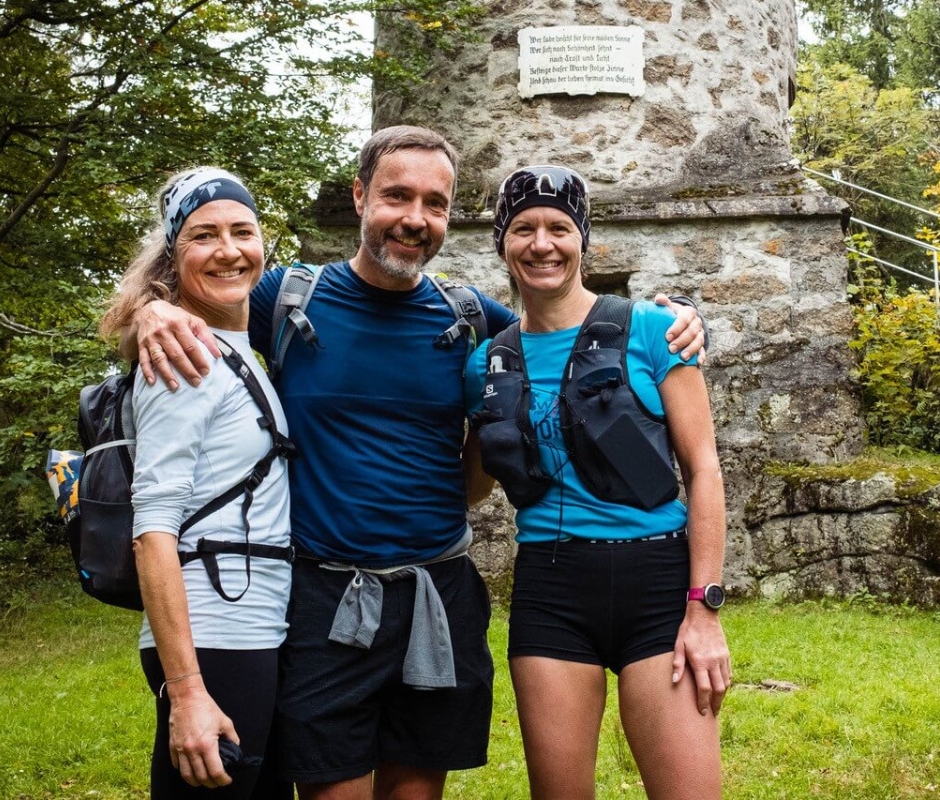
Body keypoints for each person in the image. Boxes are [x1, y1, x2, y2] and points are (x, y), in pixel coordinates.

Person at [128, 126, 708, 800]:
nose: (414, 218)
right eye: (396, 196)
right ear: (359, 196)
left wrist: (683, 316)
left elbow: (563, 322)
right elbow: (204, 287)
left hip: (438, 596)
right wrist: (149, 310)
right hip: (324, 599)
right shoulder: (286, 299)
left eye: (435, 204)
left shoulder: (469, 318)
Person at [466, 165, 730, 799]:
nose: (542, 244)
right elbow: (472, 490)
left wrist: (704, 610)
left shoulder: (655, 330)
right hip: (550, 590)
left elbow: (703, 470)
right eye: (523, 229)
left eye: (559, 228)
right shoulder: (486, 363)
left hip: (657, 584)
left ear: (582, 239)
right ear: (503, 242)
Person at [100, 168, 294, 799]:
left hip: (251, 630)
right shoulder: (183, 358)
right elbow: (152, 530)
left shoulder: (229, 345)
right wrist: (187, 693)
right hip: (215, 636)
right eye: (203, 235)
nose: (228, 250)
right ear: (172, 252)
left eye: (243, 231)